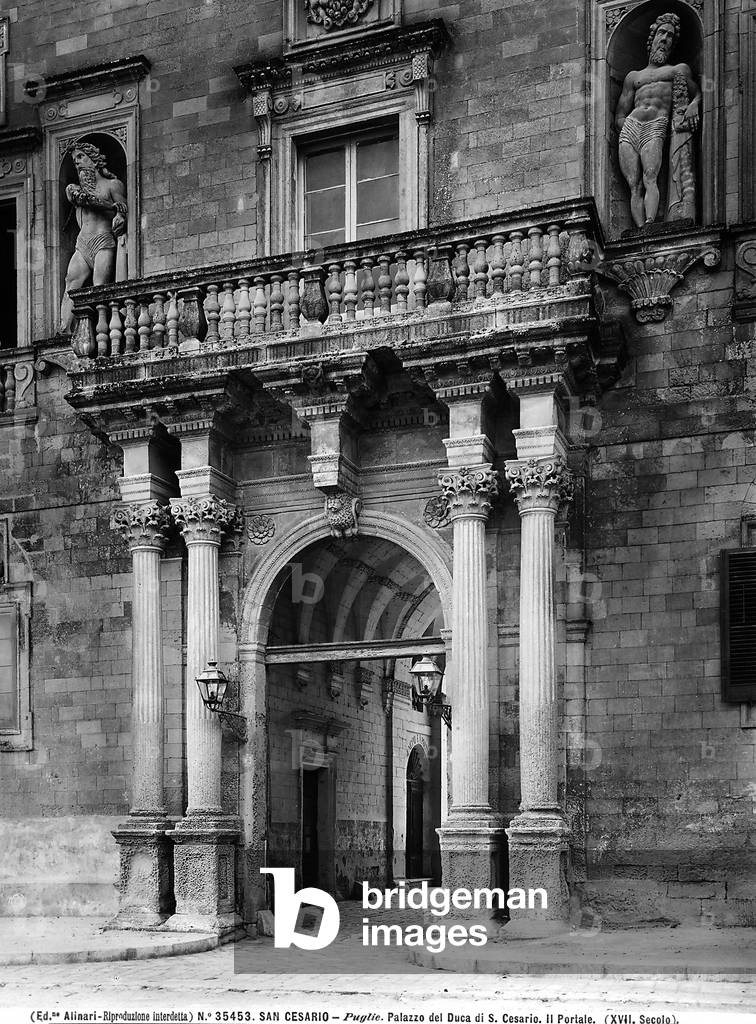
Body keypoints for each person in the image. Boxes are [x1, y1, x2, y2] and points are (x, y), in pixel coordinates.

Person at [615, 13, 700, 228]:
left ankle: (651, 222)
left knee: (650, 177)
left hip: (656, 125)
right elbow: (620, 113)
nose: (665, 39)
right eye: (662, 33)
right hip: (631, 127)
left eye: (670, 36)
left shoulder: (678, 70)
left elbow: (698, 93)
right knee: (634, 185)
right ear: (652, 37)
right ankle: (640, 228)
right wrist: (624, 125)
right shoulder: (633, 77)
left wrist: (693, 105)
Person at [60, 140, 127, 332]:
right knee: (71, 283)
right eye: (74, 161)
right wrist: (110, 206)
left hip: (103, 241)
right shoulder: (73, 188)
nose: (78, 163)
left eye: (81, 157)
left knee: (100, 287)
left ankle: (103, 331)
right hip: (83, 243)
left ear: (94, 160)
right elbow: (84, 199)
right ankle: (64, 331)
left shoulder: (113, 185)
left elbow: (123, 213)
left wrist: (120, 217)